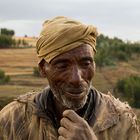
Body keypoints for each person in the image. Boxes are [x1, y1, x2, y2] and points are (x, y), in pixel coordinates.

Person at [0, 16, 139, 140]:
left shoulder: (121, 121)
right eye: (62, 66)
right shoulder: (12, 120)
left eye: (85, 63)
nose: (76, 79)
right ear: (42, 69)